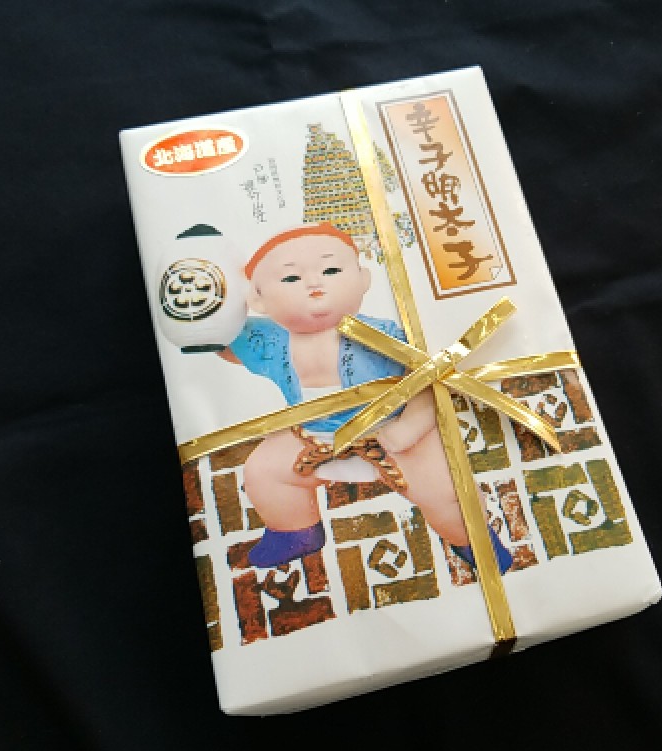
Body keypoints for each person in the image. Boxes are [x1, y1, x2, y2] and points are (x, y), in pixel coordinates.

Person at [219, 222, 512, 573]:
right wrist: (205, 327)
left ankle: (474, 542)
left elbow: (430, 381)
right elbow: (226, 342)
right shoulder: (269, 339)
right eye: (291, 278)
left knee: (446, 492)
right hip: (313, 433)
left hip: (392, 431)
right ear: (257, 300)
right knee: (262, 471)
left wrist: (410, 427)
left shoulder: (382, 335)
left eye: (331, 270)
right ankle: (294, 531)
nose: (314, 283)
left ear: (363, 280)